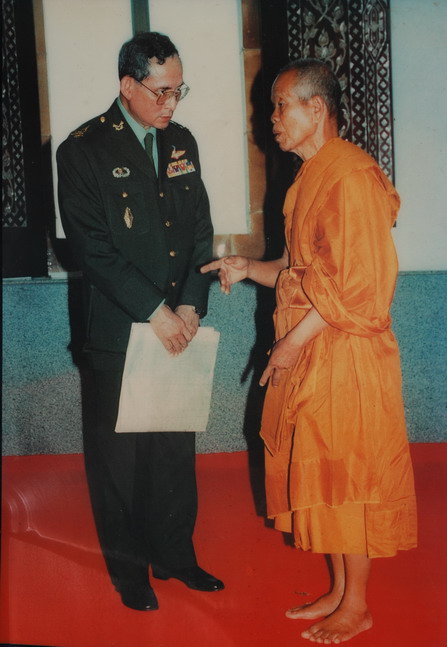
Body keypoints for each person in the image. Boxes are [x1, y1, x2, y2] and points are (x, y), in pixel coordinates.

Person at [202, 59, 416, 643]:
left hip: (349, 353)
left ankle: (358, 605)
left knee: (349, 475)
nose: (269, 118)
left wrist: (291, 344)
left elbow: (363, 291)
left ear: (316, 108)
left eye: (280, 106)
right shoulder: (310, 176)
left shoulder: (352, 177)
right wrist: (246, 267)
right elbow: (297, 272)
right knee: (323, 472)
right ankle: (341, 589)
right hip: (316, 347)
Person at [57, 32, 223, 612]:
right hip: (121, 331)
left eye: (179, 90)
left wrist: (191, 304)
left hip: (179, 323)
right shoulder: (82, 150)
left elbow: (200, 229)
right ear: (127, 85)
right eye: (160, 92)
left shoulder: (182, 142)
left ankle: (176, 556)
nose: (171, 103)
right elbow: (93, 249)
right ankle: (130, 574)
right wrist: (156, 312)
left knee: (174, 450)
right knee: (120, 461)